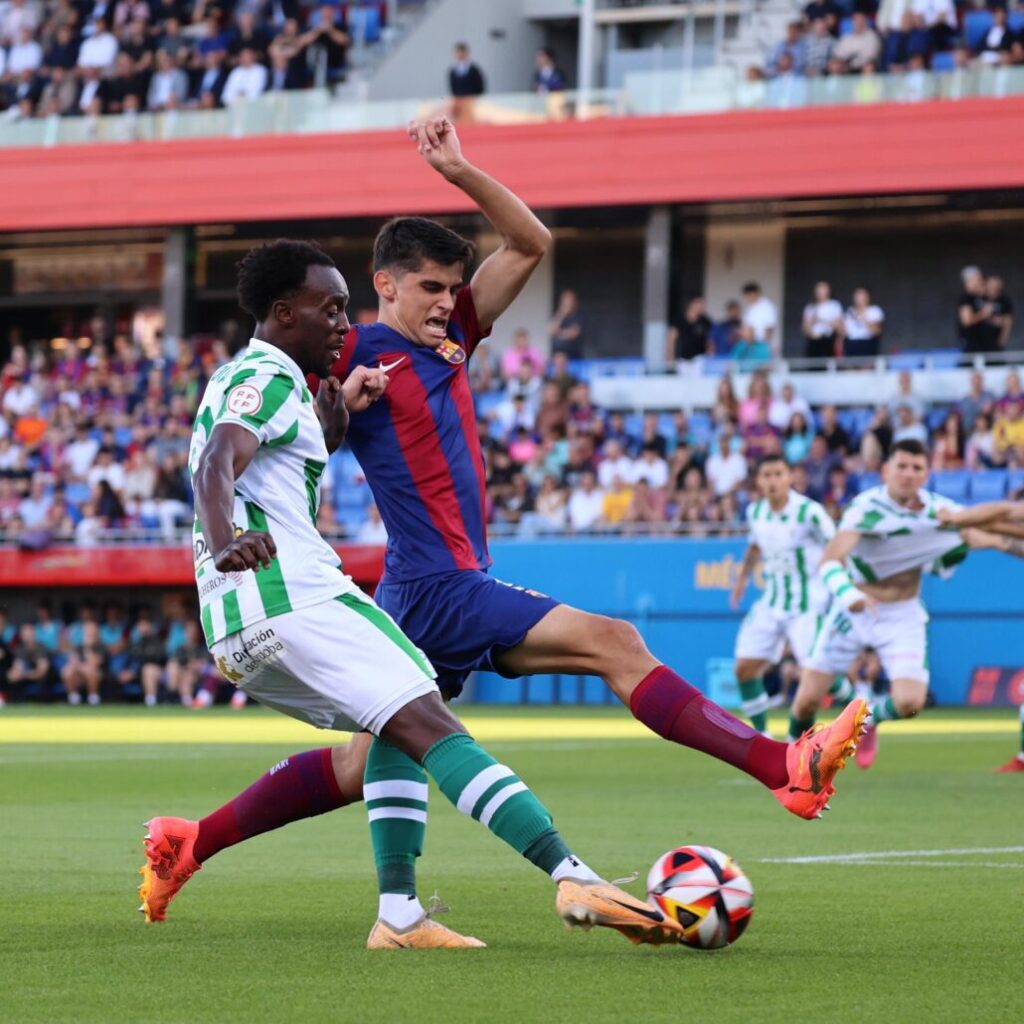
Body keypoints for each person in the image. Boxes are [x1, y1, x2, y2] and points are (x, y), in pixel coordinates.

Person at [141, 118, 865, 934]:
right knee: (612, 642)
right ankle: (779, 766)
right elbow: (273, 425)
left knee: (366, 760)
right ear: (384, 286)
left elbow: (528, 241)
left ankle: (200, 843)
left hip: (440, 582)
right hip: (436, 580)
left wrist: (460, 172)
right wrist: (342, 393)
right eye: (429, 288)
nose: (448, 303)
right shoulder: (351, 345)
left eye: (454, 289)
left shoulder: (447, 340)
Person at [142, 230, 676, 949]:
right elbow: (215, 463)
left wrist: (329, 431)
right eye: (328, 309)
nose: (342, 323)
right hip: (292, 597)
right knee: (429, 719)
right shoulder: (265, 377)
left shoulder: (276, 388)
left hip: (239, 630)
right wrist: (226, 531)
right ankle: (570, 874)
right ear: (281, 313)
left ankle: (398, 917)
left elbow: (258, 461)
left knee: (395, 719)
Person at [792, 441, 1024, 767]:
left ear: (926, 474)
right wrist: (850, 595)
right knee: (805, 702)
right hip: (853, 608)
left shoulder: (939, 512)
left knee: (910, 703)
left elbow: (996, 535)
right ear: (885, 470)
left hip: (901, 614)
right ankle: (789, 765)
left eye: (916, 468)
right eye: (901, 466)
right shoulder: (865, 508)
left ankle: (866, 721)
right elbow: (830, 561)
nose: (908, 474)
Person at [730, 455, 836, 736]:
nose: (772, 480)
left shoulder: (809, 512)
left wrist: (844, 589)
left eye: (778, 473)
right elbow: (755, 546)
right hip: (772, 602)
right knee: (743, 668)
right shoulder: (756, 512)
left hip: (807, 606)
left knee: (816, 676)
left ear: (790, 476)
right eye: (766, 474)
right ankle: (764, 736)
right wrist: (742, 580)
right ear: (758, 481)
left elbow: (839, 545)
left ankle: (855, 697)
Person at [802, 281, 843, 360]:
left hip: (828, 340)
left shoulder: (834, 306)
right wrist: (813, 320)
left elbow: (840, 327)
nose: (820, 293)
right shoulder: (810, 307)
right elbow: (805, 329)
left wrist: (826, 321)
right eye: (818, 290)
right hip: (814, 341)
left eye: (823, 290)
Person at [666, 296, 712, 362]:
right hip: (681, 359)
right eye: (699, 304)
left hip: (700, 359)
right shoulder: (679, 320)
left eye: (703, 304)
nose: (701, 307)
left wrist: (710, 352)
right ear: (692, 303)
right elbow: (671, 339)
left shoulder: (705, 321)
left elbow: (710, 339)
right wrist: (670, 357)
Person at [842, 287, 884, 358]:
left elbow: (877, 331)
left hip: (868, 343)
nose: (859, 299)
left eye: (861, 296)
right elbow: (843, 332)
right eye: (857, 296)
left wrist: (862, 319)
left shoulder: (874, 310)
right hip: (851, 344)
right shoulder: (849, 311)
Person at [548, 288, 584, 359]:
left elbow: (574, 333)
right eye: (565, 300)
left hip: (573, 355)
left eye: (569, 300)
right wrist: (562, 314)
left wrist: (558, 333)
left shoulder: (578, 315)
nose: (567, 303)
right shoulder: (558, 315)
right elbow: (551, 331)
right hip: (558, 355)